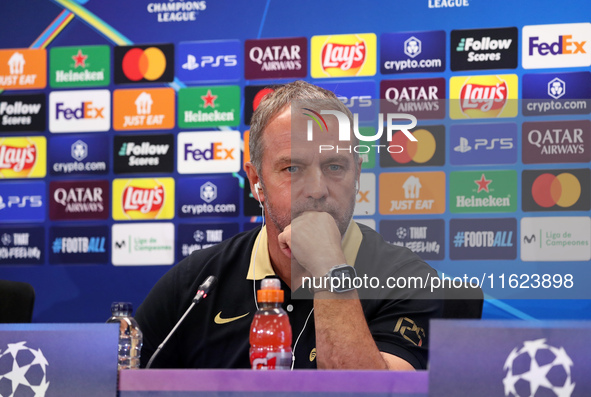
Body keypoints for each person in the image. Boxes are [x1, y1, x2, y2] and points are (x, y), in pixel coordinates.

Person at [135, 80, 442, 370]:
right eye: (292, 167)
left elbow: (369, 393)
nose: (317, 189)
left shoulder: (410, 281)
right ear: (257, 181)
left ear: (357, 174)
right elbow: (118, 382)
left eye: (335, 166)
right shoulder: (196, 284)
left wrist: (328, 267)